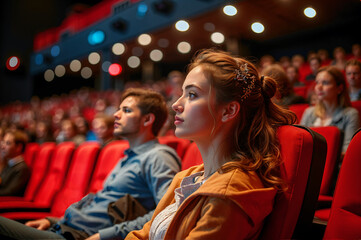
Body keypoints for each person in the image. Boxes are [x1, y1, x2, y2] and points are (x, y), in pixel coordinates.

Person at [126, 49, 296, 239]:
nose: (175, 104)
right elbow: (142, 235)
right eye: (182, 93)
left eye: (191, 94)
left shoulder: (231, 191)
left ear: (228, 111)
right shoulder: (187, 177)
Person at [0, 88, 181, 240]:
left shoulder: (159, 156)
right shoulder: (128, 157)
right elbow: (99, 205)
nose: (116, 115)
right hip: (64, 228)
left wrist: (105, 236)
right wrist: (53, 220)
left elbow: (165, 213)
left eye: (126, 111)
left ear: (147, 120)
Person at [301, 66, 360, 154]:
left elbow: (348, 152)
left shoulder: (350, 114)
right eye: (317, 82)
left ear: (339, 88)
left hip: (336, 166)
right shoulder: (308, 112)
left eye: (325, 83)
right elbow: (301, 144)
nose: (319, 87)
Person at [0, 129, 31, 196]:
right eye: (3, 142)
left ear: (18, 147)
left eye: (7, 143)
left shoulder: (22, 169)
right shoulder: (10, 164)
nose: (3, 146)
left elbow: (9, 192)